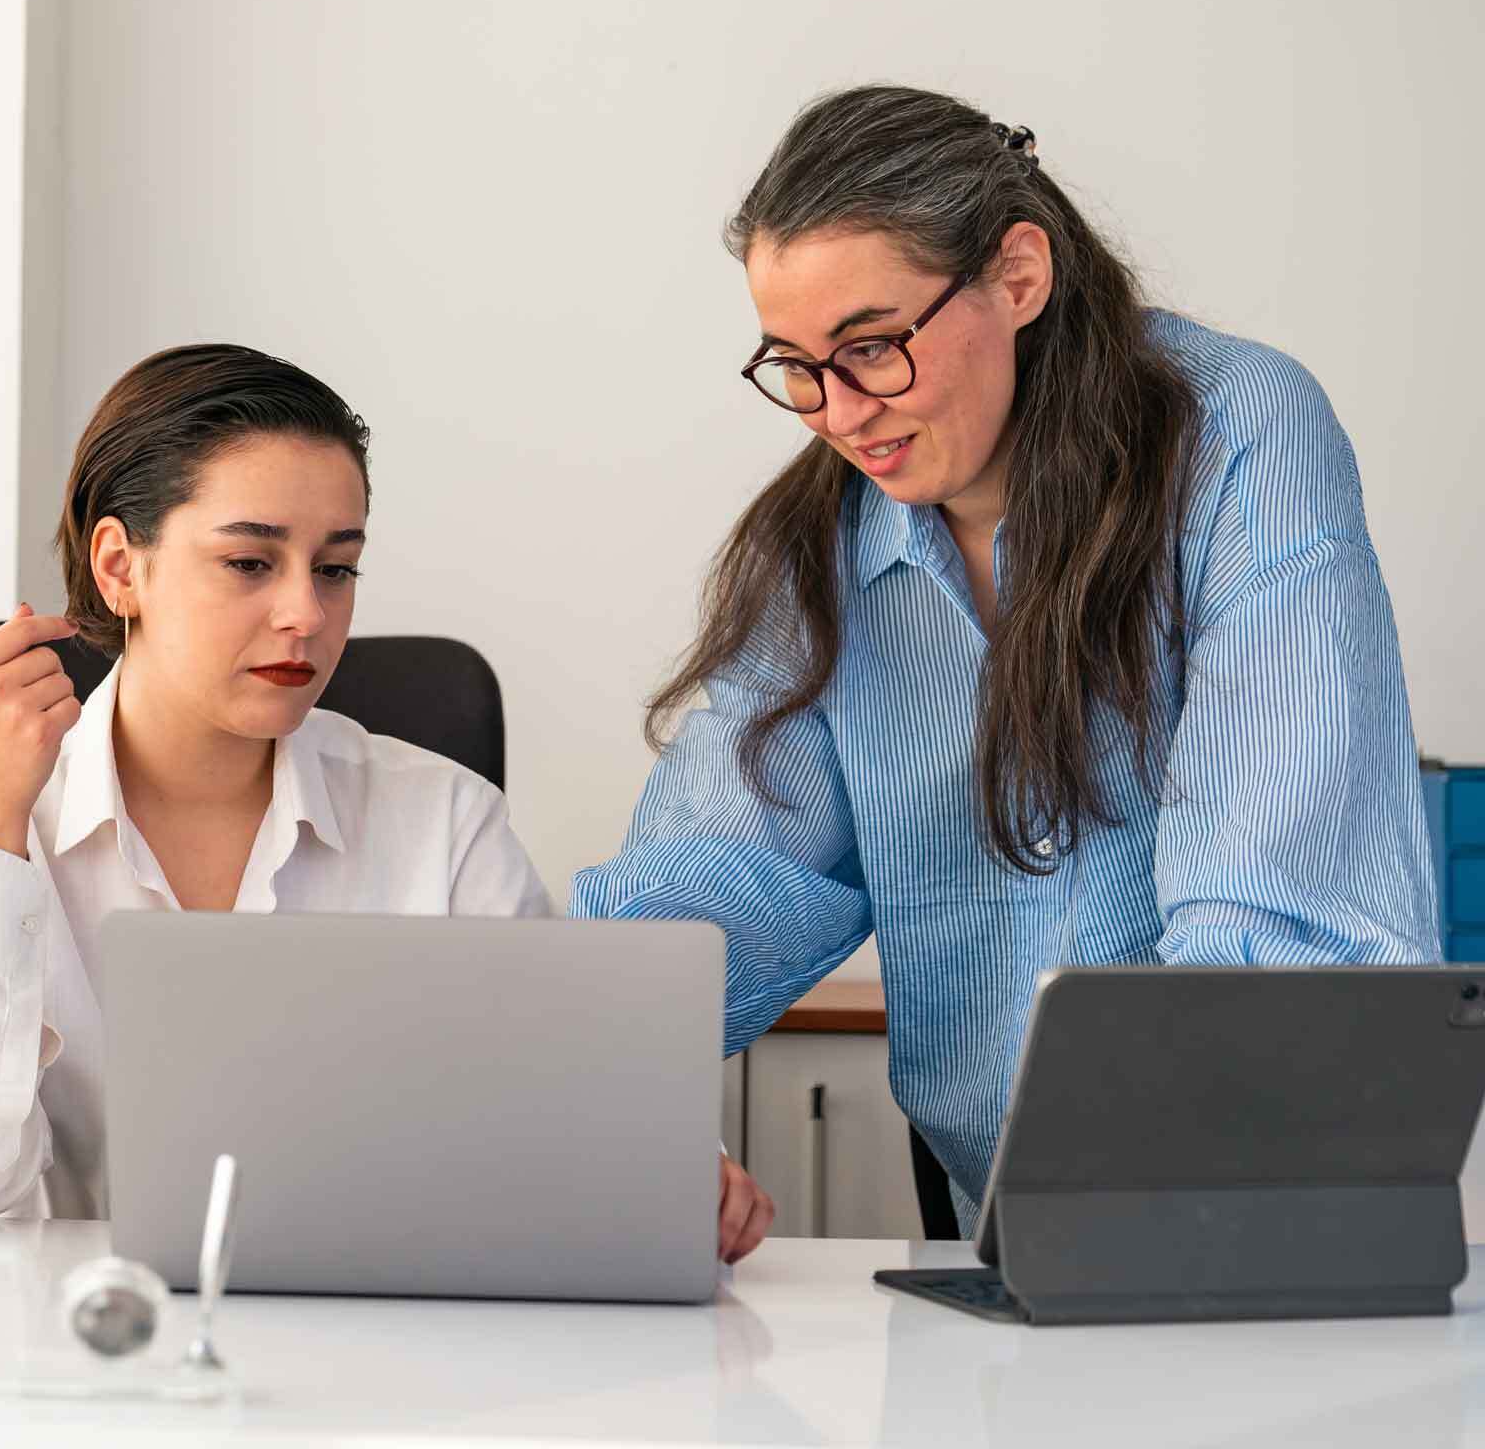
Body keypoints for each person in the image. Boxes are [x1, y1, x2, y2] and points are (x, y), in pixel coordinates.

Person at [572, 85, 1442, 1233]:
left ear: (1017, 275)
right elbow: (718, 882)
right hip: (1002, 1222)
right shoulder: (818, 550)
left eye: (873, 347)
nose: (833, 410)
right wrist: (575, 1071)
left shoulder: (1237, 435)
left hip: (1256, 1199)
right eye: (794, 362)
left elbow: (1269, 914)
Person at [0, 344, 552, 1224]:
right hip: (49, 1345)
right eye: (251, 563)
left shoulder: (444, 820)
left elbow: (559, 1118)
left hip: (369, 1342)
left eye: (336, 567)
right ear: (120, 567)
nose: (307, 615)